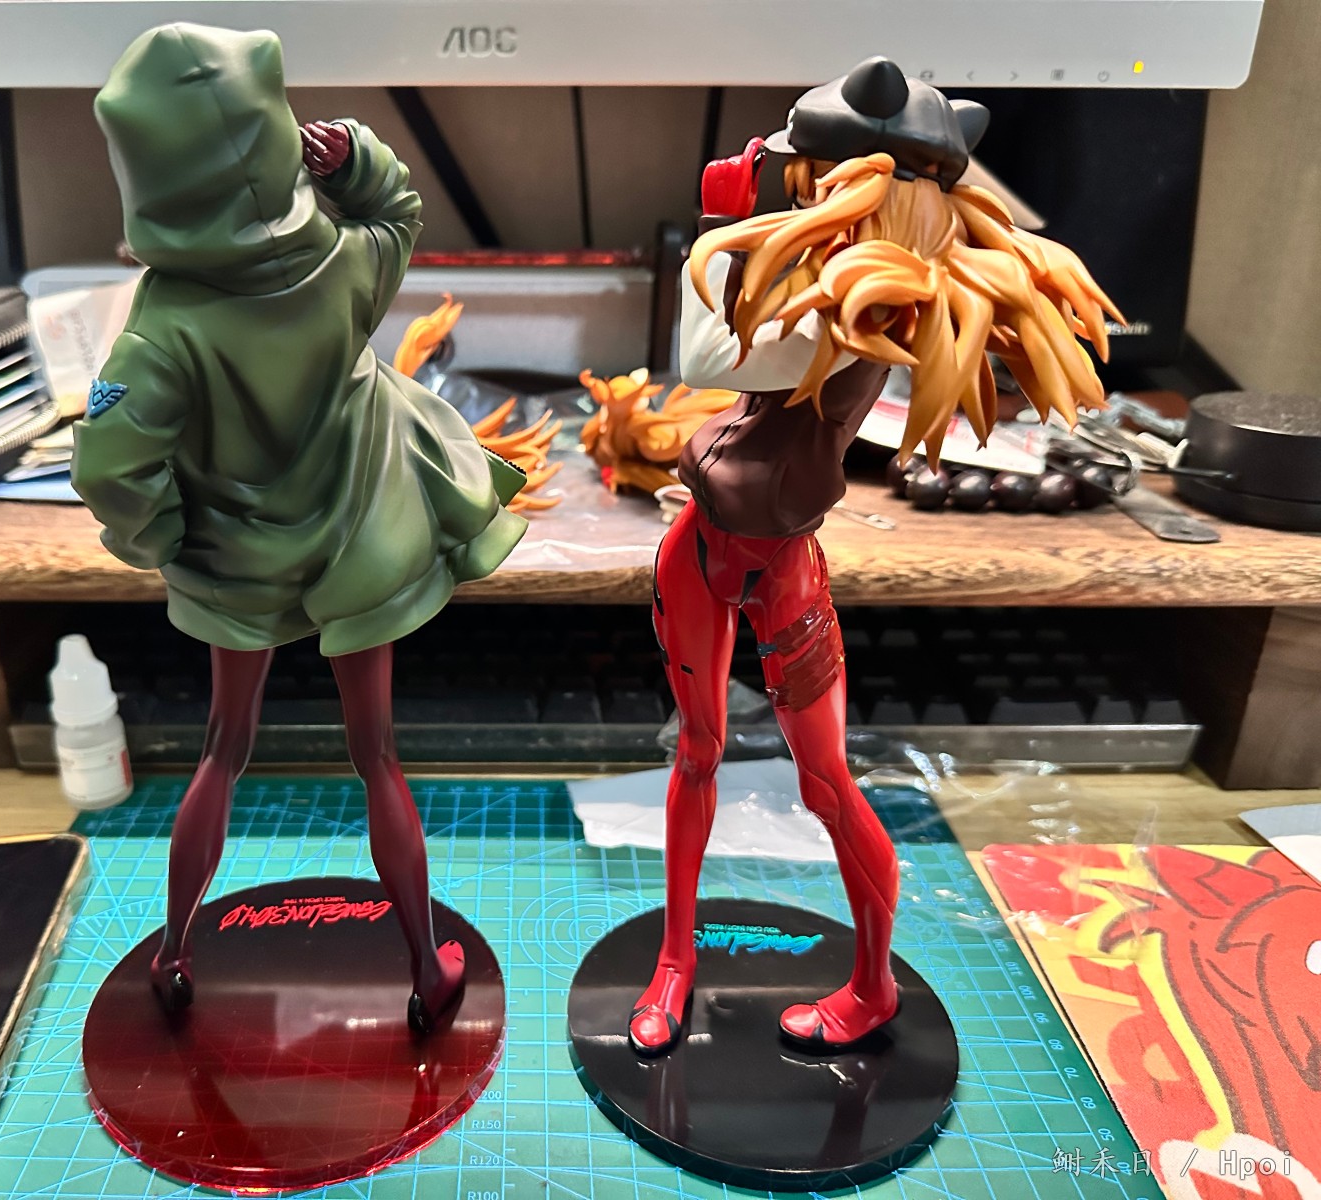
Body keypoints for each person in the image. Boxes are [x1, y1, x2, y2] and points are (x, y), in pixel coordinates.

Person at [629, 57, 1120, 1054]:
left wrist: (724, 227)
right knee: (697, 752)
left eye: (809, 169)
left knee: (825, 785)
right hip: (699, 546)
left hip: (782, 568)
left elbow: (708, 353)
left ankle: (872, 988)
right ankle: (675, 960)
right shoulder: (820, 276)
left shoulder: (867, 306)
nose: (795, 182)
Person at [72, 24, 527, 1031]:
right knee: (379, 758)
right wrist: (354, 155)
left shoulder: (161, 330)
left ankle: (175, 953)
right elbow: (400, 209)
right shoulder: (339, 263)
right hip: (362, 549)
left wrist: (167, 539)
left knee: (220, 752)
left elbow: (108, 468)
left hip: (237, 568)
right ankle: (426, 971)